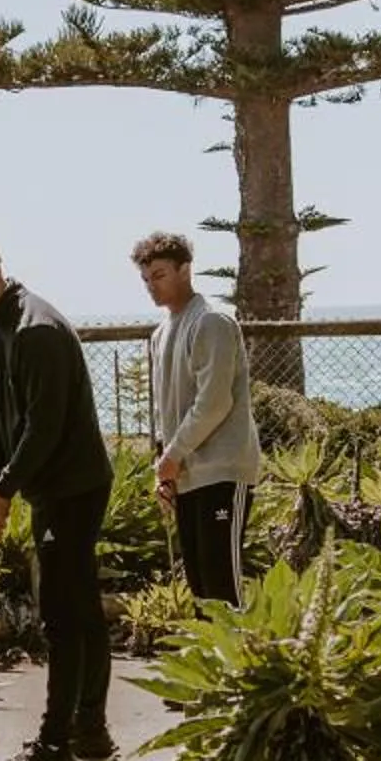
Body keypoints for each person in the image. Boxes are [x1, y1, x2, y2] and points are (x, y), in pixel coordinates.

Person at [0, 233, 114, 761]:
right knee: (79, 606)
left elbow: (44, 428)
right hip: (48, 485)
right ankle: (91, 729)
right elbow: (0, 416)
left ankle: (54, 747)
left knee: (62, 615)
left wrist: (6, 490)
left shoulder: (37, 330)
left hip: (74, 487)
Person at [135, 229, 261, 605]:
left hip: (223, 471)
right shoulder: (160, 334)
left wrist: (172, 455)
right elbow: (167, 408)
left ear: (185, 270)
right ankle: (213, 663)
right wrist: (167, 464)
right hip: (186, 475)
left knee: (223, 585)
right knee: (200, 586)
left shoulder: (212, 323)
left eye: (159, 276)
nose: (151, 286)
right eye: (145, 280)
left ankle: (246, 664)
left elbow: (214, 402)